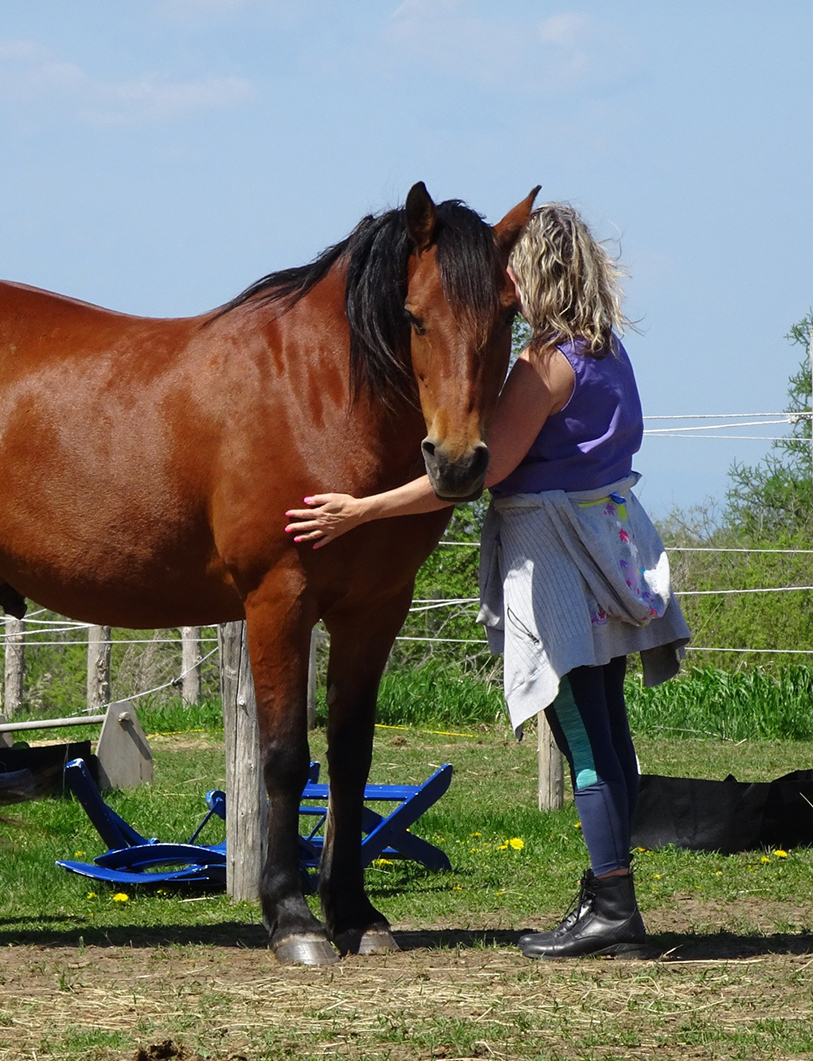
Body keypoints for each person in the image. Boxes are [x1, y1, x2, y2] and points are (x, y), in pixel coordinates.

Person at [284, 202, 690, 959]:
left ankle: (613, 905)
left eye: (509, 274)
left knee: (580, 735)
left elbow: (477, 475)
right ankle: (608, 893)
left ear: (536, 275)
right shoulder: (607, 354)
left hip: (555, 559)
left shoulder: (543, 366)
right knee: (605, 728)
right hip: (608, 547)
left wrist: (358, 510)